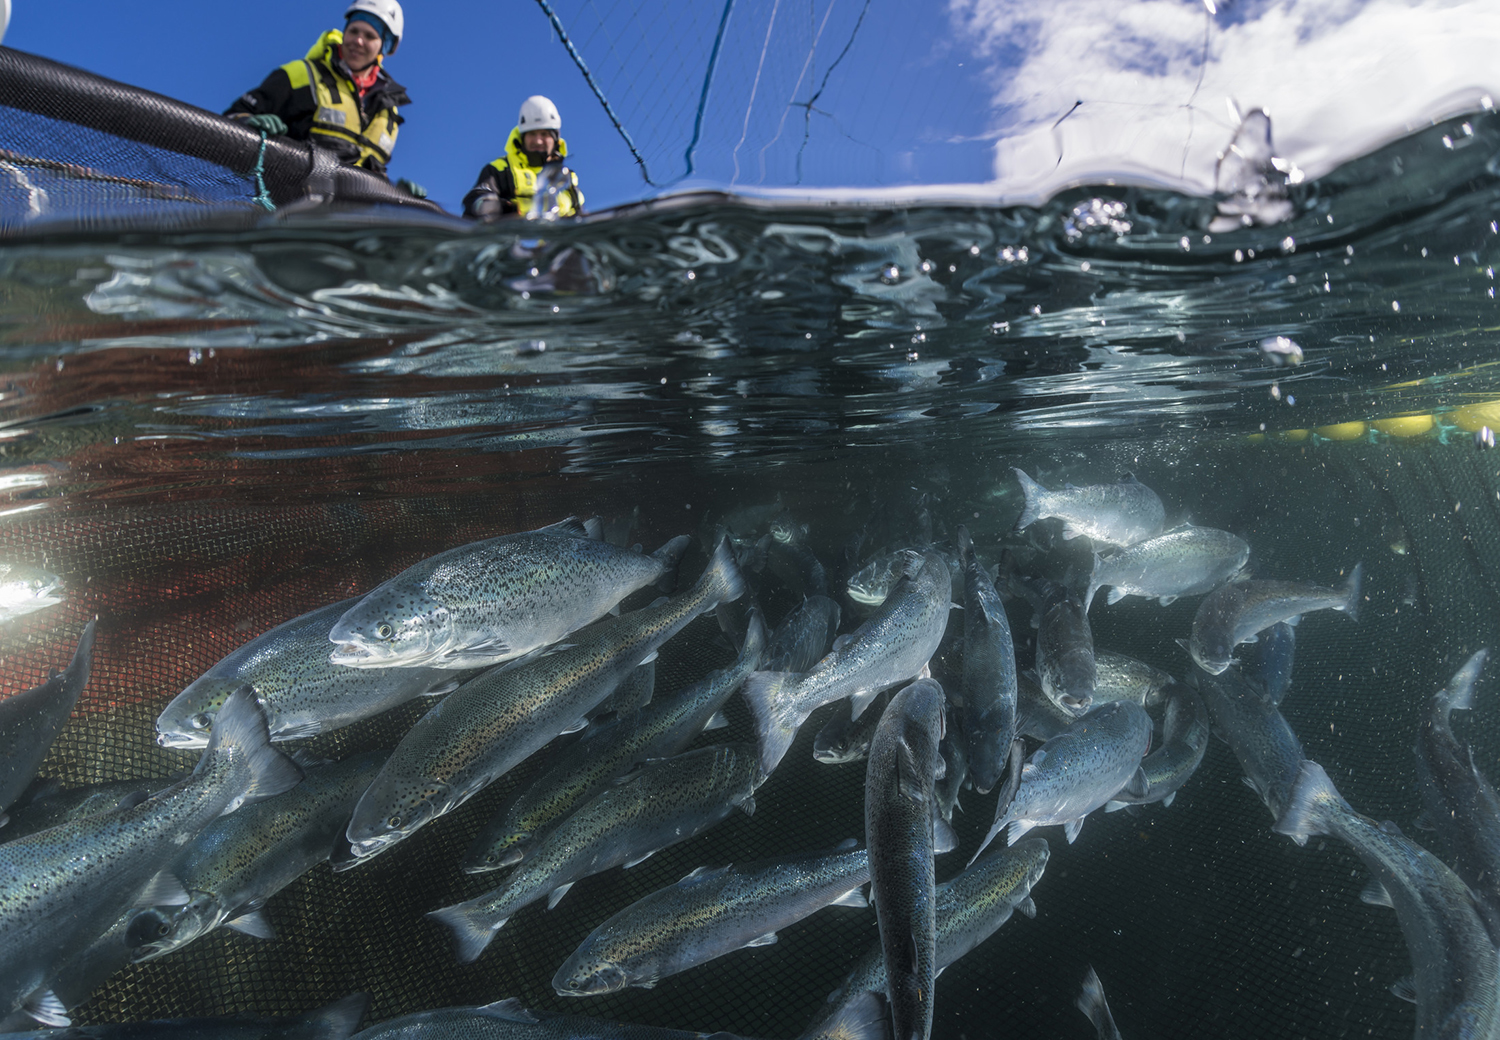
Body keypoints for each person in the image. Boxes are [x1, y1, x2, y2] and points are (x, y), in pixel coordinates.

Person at [224, 0, 424, 197]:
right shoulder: (300, 75)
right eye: (354, 31)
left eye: (370, 36)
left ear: (385, 47)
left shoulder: (389, 112)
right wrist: (248, 123)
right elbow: (231, 118)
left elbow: (371, 171)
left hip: (351, 224)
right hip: (289, 213)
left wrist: (397, 193)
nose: (358, 41)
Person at [462, 96, 584, 220]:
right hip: (511, 236)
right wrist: (494, 207)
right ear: (522, 138)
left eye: (544, 134)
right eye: (532, 133)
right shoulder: (499, 169)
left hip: (561, 237)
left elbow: (579, 211)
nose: (538, 140)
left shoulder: (567, 176)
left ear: (555, 139)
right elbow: (477, 198)